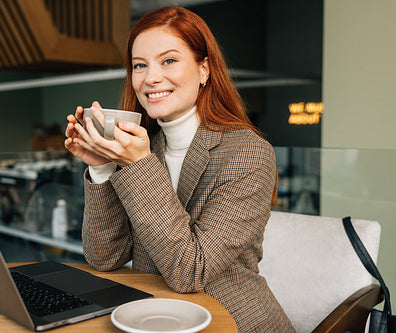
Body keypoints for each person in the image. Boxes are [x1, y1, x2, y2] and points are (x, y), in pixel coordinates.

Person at [64, 6, 294, 332]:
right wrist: (102, 167)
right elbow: (105, 258)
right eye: (139, 65)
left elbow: (190, 272)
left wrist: (137, 164)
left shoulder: (248, 153)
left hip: (233, 321)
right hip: (155, 318)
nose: (151, 77)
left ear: (204, 69)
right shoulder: (149, 148)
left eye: (168, 60)